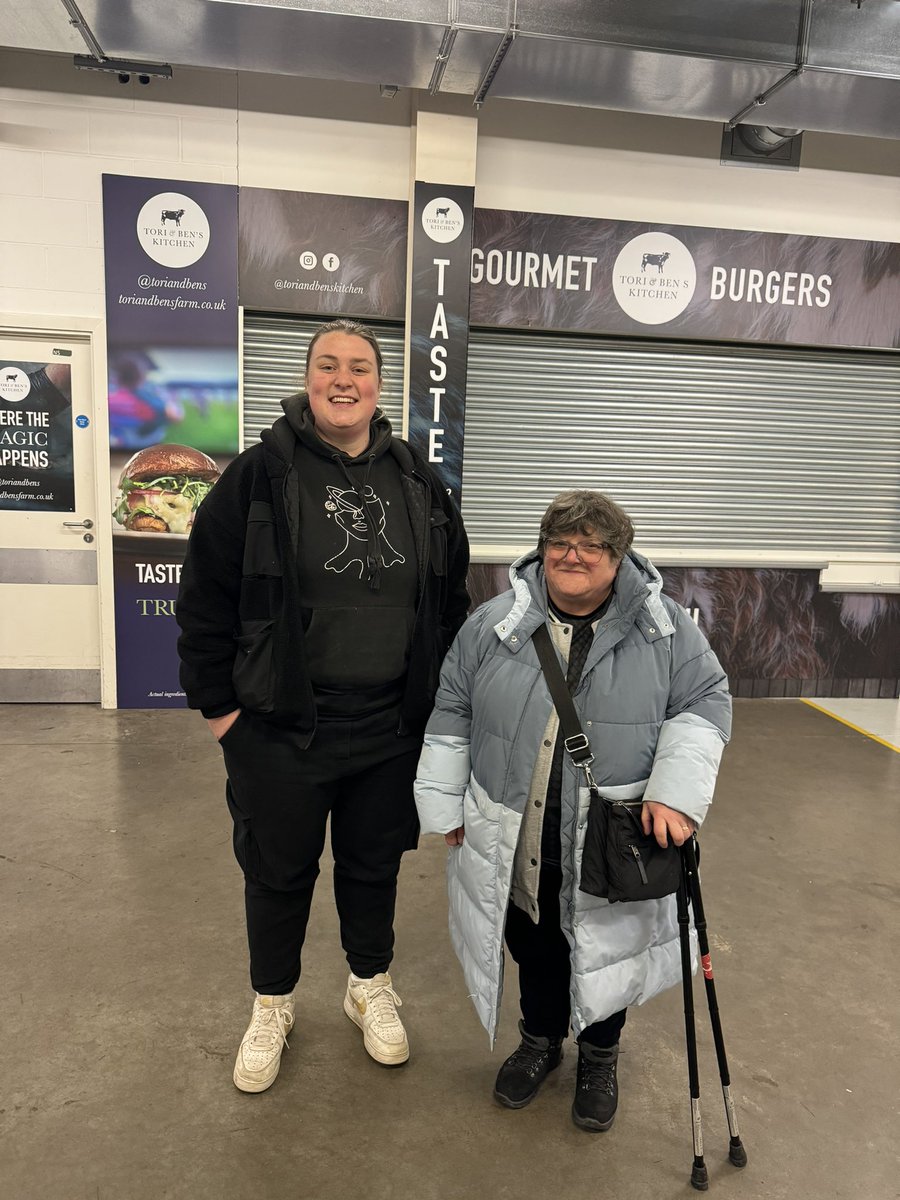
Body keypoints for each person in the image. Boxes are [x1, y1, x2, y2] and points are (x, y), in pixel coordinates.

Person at [176, 318, 469, 1093]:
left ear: (380, 385)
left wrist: (439, 712)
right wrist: (223, 717)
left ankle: (367, 985)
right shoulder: (258, 476)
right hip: (278, 731)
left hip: (389, 729)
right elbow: (203, 597)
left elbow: (449, 601)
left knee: (372, 868)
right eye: (329, 366)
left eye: (361, 368)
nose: (345, 379)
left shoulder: (419, 482)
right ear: (308, 379)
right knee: (277, 875)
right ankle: (272, 1004)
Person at [414, 490, 730, 1131]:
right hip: (517, 825)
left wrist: (674, 792)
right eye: (560, 542)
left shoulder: (664, 627)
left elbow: (706, 699)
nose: (573, 556)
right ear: (542, 549)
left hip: (610, 834)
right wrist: (444, 801)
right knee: (531, 937)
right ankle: (539, 1042)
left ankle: (599, 1054)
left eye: (592, 545)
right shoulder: (495, 623)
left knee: (602, 944)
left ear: (619, 557)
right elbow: (453, 705)